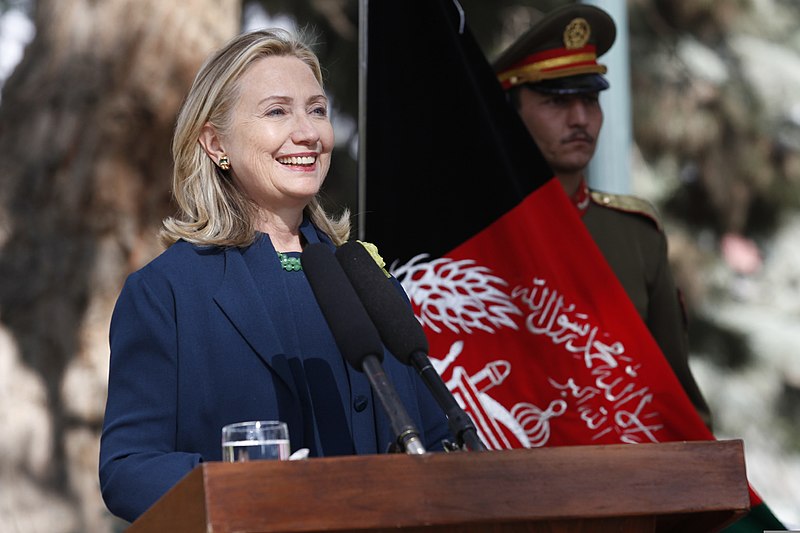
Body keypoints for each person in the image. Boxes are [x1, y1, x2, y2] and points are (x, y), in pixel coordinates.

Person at [99, 29, 449, 523]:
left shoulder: (366, 277)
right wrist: (253, 489)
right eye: (277, 111)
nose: (308, 133)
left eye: (318, 109)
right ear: (215, 142)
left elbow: (434, 439)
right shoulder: (167, 292)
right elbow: (129, 469)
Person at [493, 4, 712, 427]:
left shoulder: (635, 235)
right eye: (557, 101)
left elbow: (676, 401)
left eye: (590, 99)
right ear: (510, 112)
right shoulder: (475, 235)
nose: (580, 118)